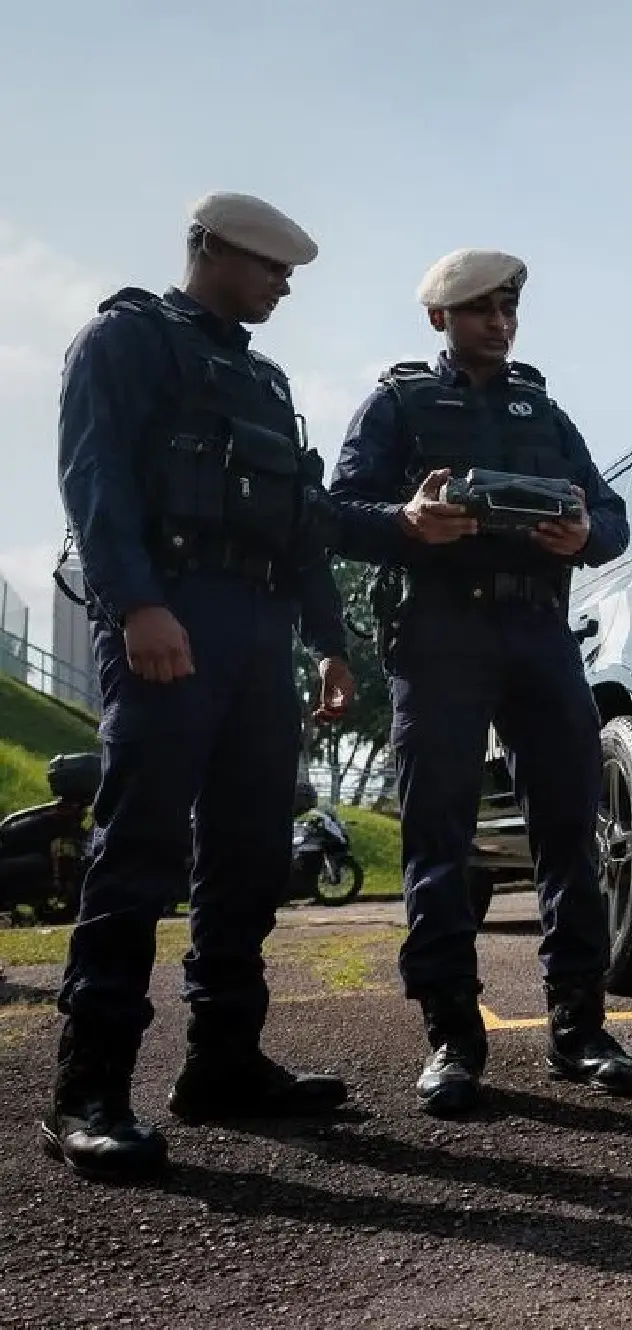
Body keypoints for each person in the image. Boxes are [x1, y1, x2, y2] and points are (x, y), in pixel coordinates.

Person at [44, 192, 357, 1181]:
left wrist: (332, 642)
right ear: (213, 249)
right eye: (270, 266)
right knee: (137, 849)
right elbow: (95, 482)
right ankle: (88, 1090)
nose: (283, 284)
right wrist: (136, 605)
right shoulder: (126, 341)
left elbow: (300, 522)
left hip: (260, 633)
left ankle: (222, 1063)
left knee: (252, 854)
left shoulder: (264, 381)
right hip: (170, 616)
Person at [327, 248, 632, 1117]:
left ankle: (580, 1029)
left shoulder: (542, 408)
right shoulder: (397, 405)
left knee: (570, 830)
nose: (498, 323)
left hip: (539, 631)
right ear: (441, 319)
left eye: (507, 308)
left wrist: (582, 535)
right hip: (439, 632)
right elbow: (337, 512)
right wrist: (408, 521)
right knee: (440, 838)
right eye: (478, 311)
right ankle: (452, 1040)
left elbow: (611, 515)